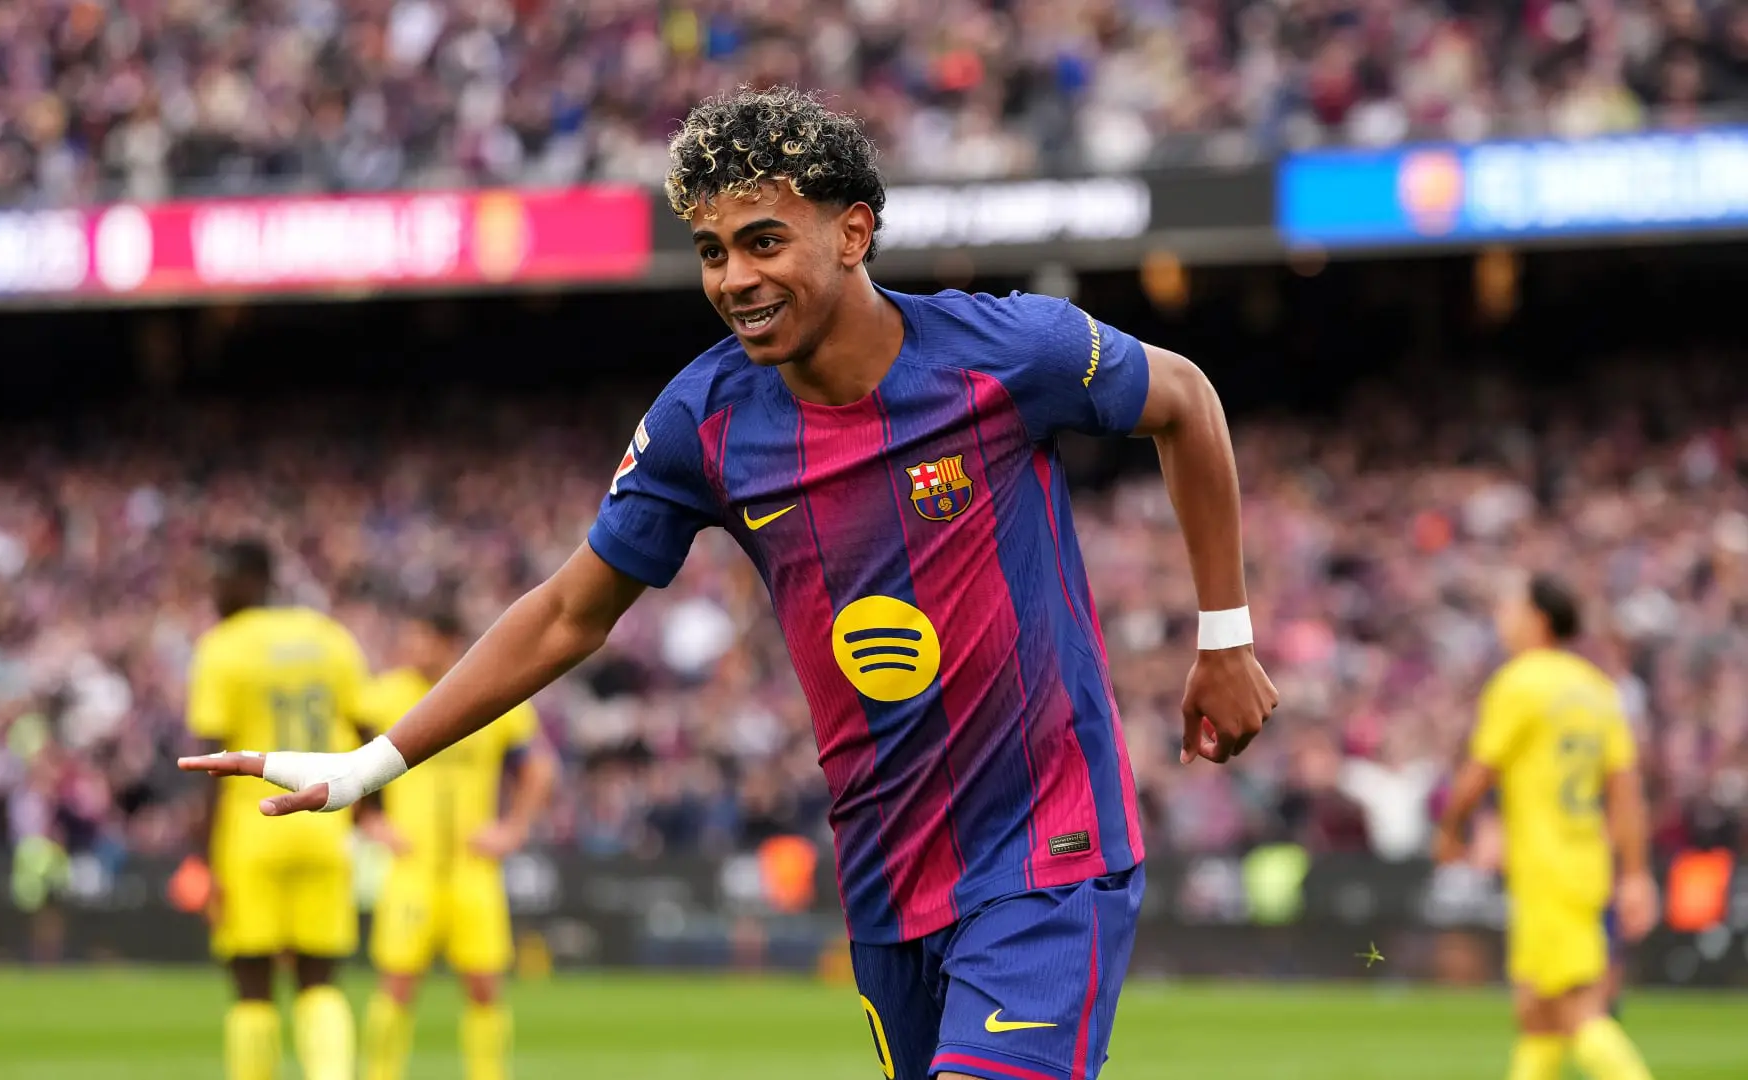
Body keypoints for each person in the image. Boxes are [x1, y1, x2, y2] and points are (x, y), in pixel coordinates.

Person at [183, 86, 1276, 1080]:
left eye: (763, 241)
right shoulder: (703, 422)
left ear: (853, 233)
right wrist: (370, 764)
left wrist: (1225, 636)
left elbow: (1185, 399)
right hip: (889, 879)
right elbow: (568, 611)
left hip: (1048, 850)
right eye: (711, 251)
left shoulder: (1002, 354)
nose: (734, 280)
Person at [1435, 572, 1658, 1080]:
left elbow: (1477, 774)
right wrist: (1635, 873)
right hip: (1584, 864)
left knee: (1578, 1010)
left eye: (1509, 607)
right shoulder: (1598, 689)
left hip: (1545, 868)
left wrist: (1449, 830)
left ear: (1537, 618)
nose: (1501, 617)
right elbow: (1625, 793)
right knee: (1536, 1014)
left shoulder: (1520, 683)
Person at [185, 539, 371, 1080]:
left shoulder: (224, 646)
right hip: (325, 825)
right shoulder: (331, 638)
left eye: (221, 579)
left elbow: (213, 759)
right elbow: (367, 732)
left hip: (252, 830)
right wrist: (369, 813)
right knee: (320, 979)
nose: (213, 591)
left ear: (252, 579)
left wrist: (202, 854)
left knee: (251, 983)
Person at [358, 609, 560, 1080]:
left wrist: (513, 829)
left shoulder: (492, 690)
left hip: (473, 868)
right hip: (413, 865)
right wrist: (368, 820)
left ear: (447, 641)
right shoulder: (382, 697)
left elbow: (539, 768)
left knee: (484, 987)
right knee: (396, 986)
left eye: (420, 637)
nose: (410, 647)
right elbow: (344, 755)